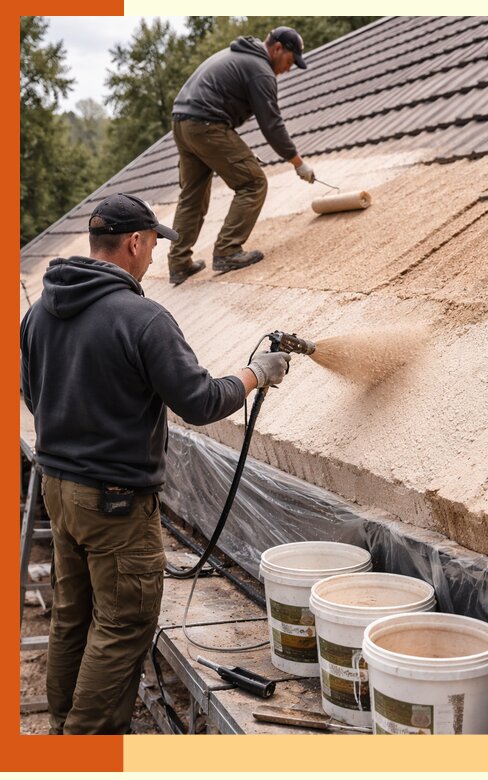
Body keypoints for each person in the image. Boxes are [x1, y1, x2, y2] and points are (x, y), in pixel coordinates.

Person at [19, 192, 291, 734]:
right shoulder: (142, 318)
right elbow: (201, 401)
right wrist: (257, 373)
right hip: (115, 504)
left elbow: (33, 396)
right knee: (123, 624)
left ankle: (60, 729)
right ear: (135, 242)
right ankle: (85, 749)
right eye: (150, 247)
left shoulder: (41, 312)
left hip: (57, 488)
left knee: (74, 615)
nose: (151, 261)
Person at [167, 25, 315, 285]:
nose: (289, 68)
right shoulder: (260, 70)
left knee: (192, 195)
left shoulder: (239, 56)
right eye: (290, 61)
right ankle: (227, 251)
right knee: (253, 182)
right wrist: (298, 163)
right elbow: (272, 124)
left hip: (182, 122)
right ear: (278, 48)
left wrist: (237, 149)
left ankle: (179, 264)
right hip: (205, 124)